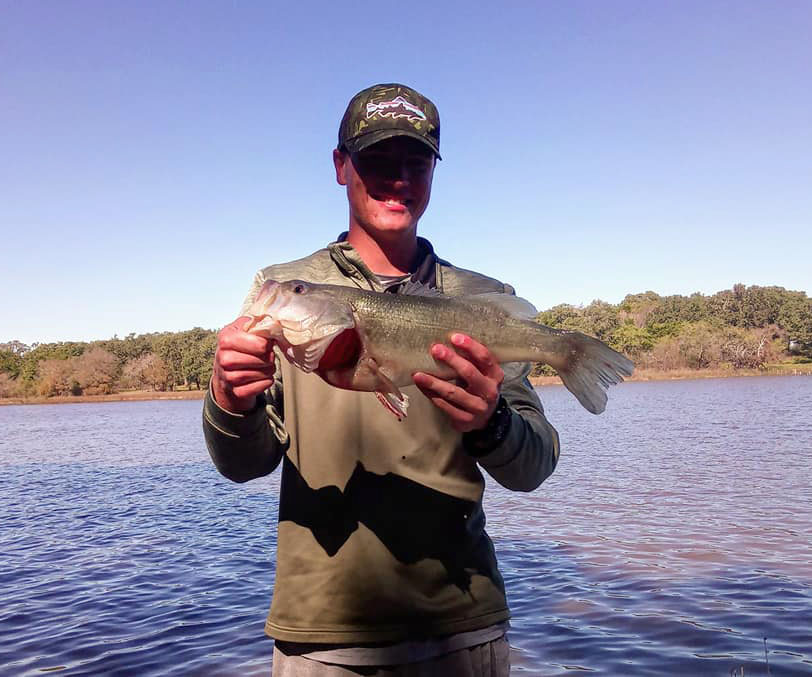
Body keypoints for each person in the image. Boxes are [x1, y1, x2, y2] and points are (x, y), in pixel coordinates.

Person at [203, 83, 560, 676]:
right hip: (323, 634)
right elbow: (243, 465)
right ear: (341, 166)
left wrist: (491, 422)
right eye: (376, 161)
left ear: (434, 172)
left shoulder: (483, 300)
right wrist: (227, 401)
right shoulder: (286, 287)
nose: (397, 180)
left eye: (415, 163)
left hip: (462, 625)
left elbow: (534, 466)